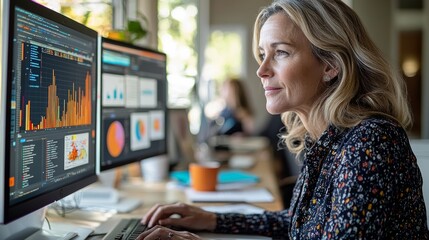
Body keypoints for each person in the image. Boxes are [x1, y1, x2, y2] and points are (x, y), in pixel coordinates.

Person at [137, 0, 429, 239]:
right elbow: (300, 223)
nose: (261, 70)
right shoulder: (328, 139)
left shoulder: (370, 142)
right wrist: (212, 219)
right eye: (263, 54)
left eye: (281, 53)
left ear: (330, 65)